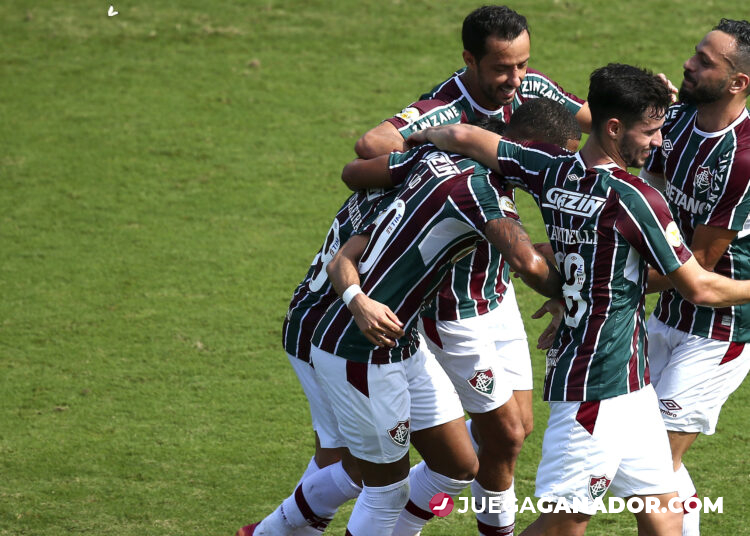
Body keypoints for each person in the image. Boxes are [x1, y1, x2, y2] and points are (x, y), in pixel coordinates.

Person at [408, 62, 750, 536]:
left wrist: (412, 144)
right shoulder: (633, 198)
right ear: (613, 127)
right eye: (650, 131)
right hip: (595, 392)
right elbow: (699, 285)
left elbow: (468, 138)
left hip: (630, 385)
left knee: (664, 512)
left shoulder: (549, 166)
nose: (658, 142)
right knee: (563, 526)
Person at [354, 6, 588, 533]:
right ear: (469, 60)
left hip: (497, 289)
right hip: (450, 303)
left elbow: (596, 120)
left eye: (524, 65)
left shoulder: (533, 91)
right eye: (503, 68)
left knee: (515, 435)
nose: (516, 80)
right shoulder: (445, 106)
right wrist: (450, 139)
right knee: (498, 438)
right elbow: (369, 146)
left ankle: (408, 511)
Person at [310, 127, 563, 536]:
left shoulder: (429, 162)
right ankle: (281, 526)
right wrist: (582, 289)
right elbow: (529, 263)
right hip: (359, 350)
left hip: (404, 343)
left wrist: (357, 295)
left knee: (459, 464)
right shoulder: (481, 194)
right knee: (383, 489)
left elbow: (347, 244)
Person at [640, 19, 750, 536]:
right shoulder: (679, 119)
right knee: (654, 470)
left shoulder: (743, 159)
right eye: (695, 52)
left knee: (650, 470)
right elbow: (654, 189)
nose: (689, 63)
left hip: (718, 332)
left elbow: (699, 263)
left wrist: (605, 281)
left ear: (737, 83)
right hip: (667, 316)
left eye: (707, 62)